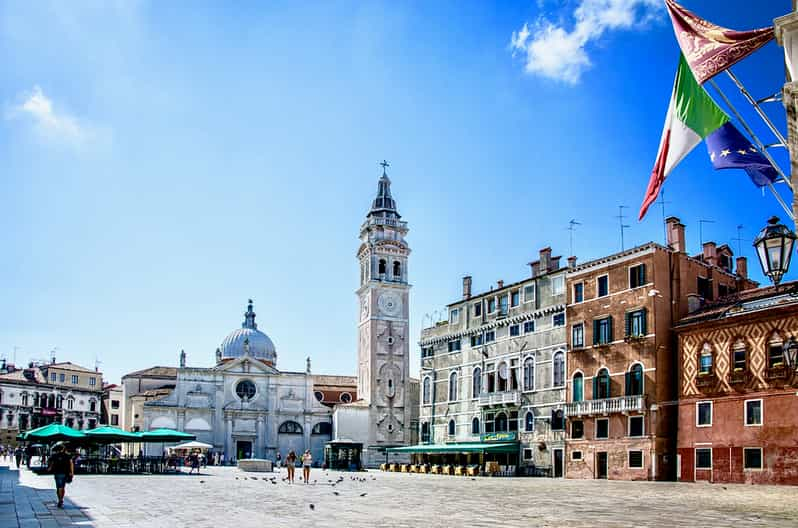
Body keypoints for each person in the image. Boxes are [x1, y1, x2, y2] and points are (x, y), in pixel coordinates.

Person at [47, 443, 73, 509]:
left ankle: (60, 499)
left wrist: (50, 468)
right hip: (65, 473)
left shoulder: (54, 455)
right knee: (62, 487)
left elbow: (50, 462)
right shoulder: (67, 455)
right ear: (63, 449)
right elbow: (71, 464)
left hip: (57, 473)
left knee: (58, 487)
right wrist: (72, 472)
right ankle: (61, 499)